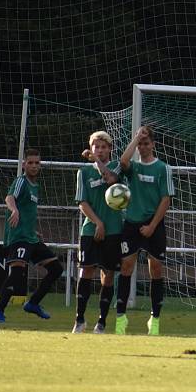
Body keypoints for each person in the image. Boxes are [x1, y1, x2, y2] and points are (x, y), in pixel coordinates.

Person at [115, 125, 175, 336]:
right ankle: (121, 318)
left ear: (153, 145)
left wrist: (152, 226)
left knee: (156, 269)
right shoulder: (134, 167)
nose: (142, 147)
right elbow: (123, 163)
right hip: (131, 223)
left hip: (153, 224)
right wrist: (134, 138)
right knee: (126, 267)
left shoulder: (163, 169)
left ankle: (155, 319)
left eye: (146, 142)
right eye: (140, 143)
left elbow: (165, 199)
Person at [0, 149, 63, 323]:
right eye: (30, 162)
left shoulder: (35, 186)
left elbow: (28, 212)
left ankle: (33, 303)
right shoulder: (21, 181)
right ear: (24, 164)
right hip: (18, 237)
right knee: (17, 273)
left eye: (37, 163)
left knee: (56, 269)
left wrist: (34, 230)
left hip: (30, 236)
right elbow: (10, 197)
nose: (33, 166)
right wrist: (14, 209)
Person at [72, 131, 124, 334]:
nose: (100, 150)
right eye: (96, 147)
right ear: (91, 148)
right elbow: (82, 203)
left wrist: (96, 161)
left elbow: (111, 180)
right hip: (90, 229)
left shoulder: (116, 167)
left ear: (110, 149)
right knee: (85, 270)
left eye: (103, 147)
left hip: (114, 230)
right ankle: (79, 319)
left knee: (108, 275)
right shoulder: (83, 172)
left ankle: (101, 322)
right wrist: (98, 223)